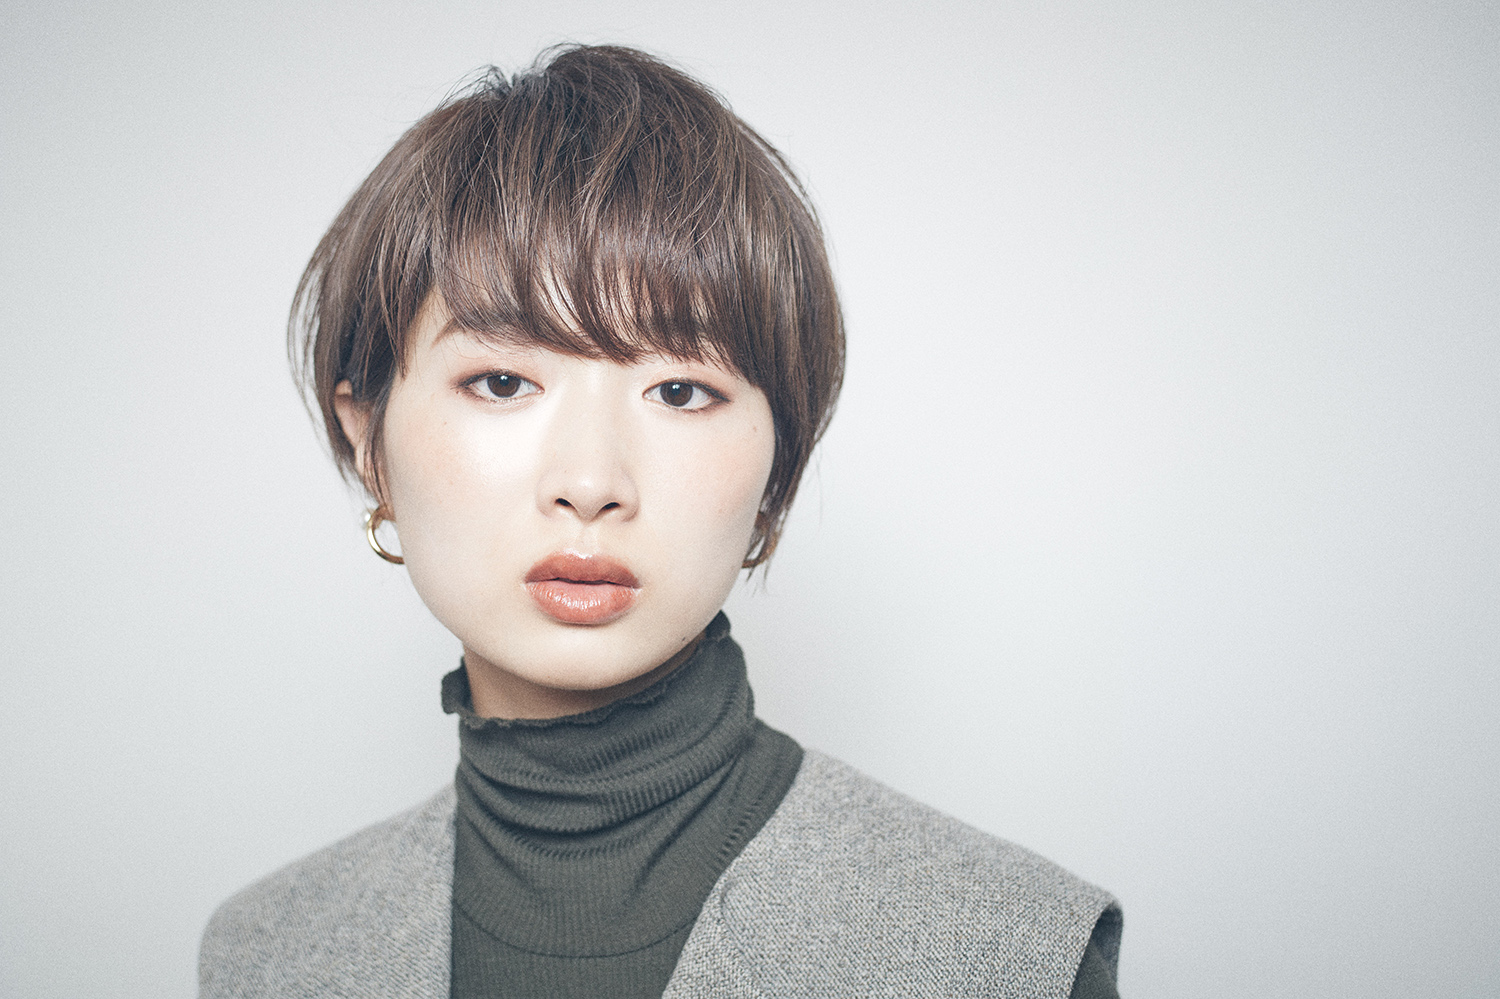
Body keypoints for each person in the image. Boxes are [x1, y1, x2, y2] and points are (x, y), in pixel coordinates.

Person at [198, 44, 1123, 999]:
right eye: (503, 380)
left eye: (680, 390)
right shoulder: (264, 955)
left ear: (777, 472)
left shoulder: (1013, 955)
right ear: (369, 441)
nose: (591, 482)